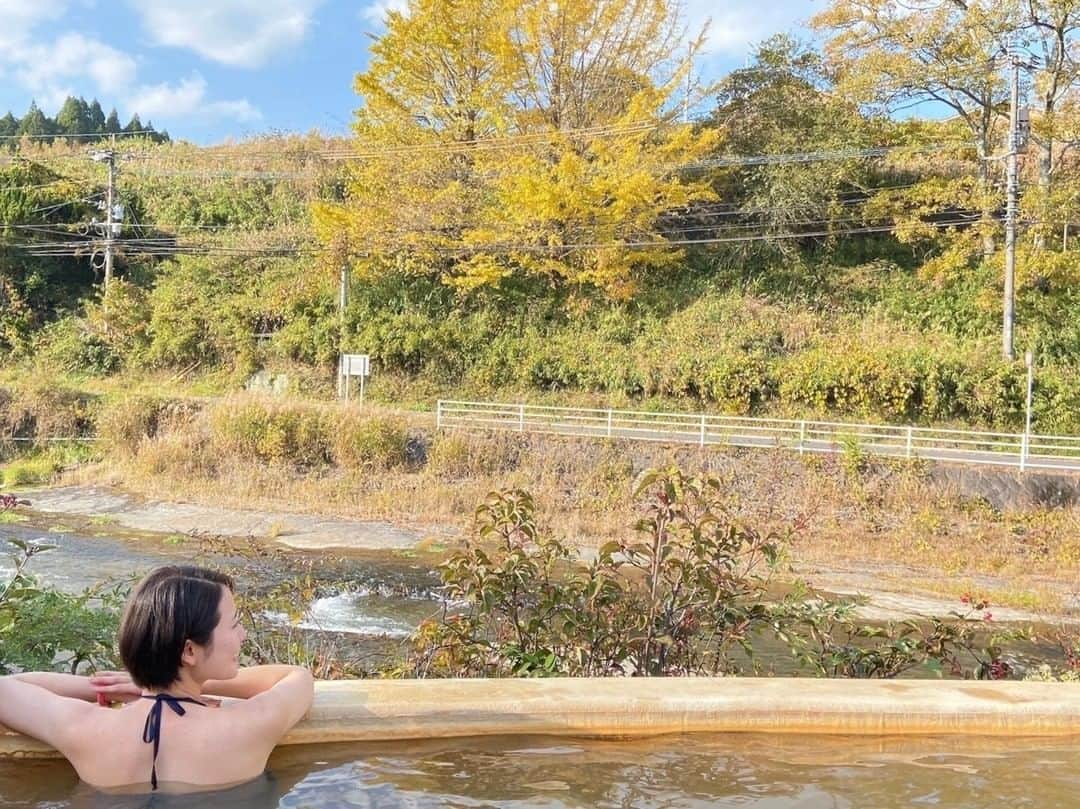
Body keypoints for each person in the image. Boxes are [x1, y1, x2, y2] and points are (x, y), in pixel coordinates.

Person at [0, 565, 314, 792]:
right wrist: (195, 683)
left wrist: (129, 683)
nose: (242, 635)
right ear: (189, 651)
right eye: (234, 625)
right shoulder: (252, 724)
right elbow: (296, 677)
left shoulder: (84, 728)